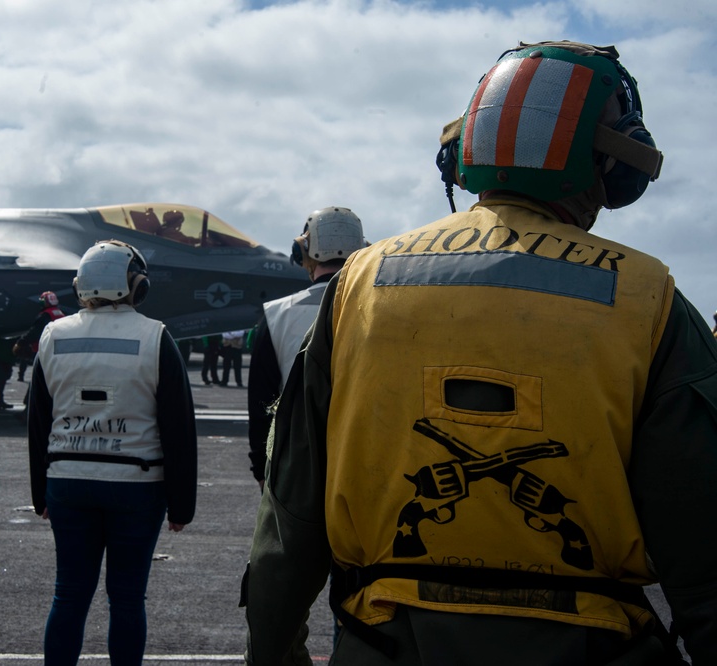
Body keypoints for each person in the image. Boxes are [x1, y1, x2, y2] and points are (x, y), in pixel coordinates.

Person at [244, 41, 717, 665]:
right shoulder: (650, 297)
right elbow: (704, 550)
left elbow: (290, 522)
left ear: (463, 152)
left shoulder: (360, 282)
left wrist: (271, 652)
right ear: (612, 163)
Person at [28, 239, 197, 665]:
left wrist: (39, 493)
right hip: (137, 484)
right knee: (126, 599)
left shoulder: (54, 334)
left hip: (67, 480)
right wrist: (182, 505)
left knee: (68, 595)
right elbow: (178, 427)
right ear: (136, 285)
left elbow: (38, 421)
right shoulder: (155, 336)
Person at [247, 206, 366, 490]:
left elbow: (260, 400)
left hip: (293, 466)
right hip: (362, 461)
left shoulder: (276, 314)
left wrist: (260, 467)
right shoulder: (382, 310)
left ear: (303, 252)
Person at [13, 290, 67, 382]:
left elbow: (35, 332)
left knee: (39, 380)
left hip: (44, 350)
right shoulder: (60, 313)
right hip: (59, 350)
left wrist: (21, 342)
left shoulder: (45, 315)